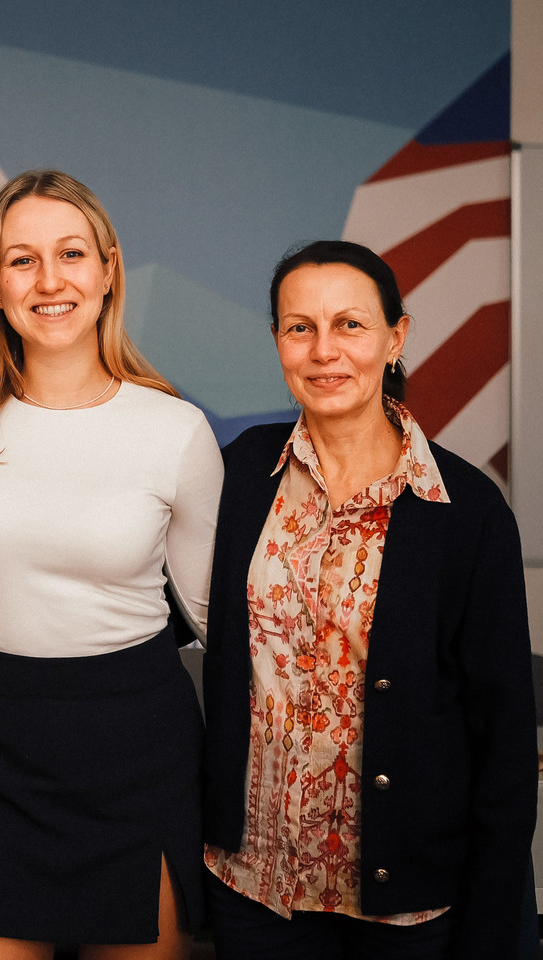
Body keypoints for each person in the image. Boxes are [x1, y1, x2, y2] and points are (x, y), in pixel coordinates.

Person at [0, 169, 224, 959]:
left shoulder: (176, 430)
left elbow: (220, 626)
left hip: (139, 757)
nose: (49, 281)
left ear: (109, 269)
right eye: (22, 260)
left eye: (71, 254)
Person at [202, 240, 536, 959]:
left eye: (350, 324)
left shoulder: (467, 510)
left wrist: (493, 922)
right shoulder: (238, 473)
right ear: (277, 341)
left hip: (407, 907)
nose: (324, 351)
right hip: (254, 891)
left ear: (396, 337)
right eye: (300, 327)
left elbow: (504, 735)